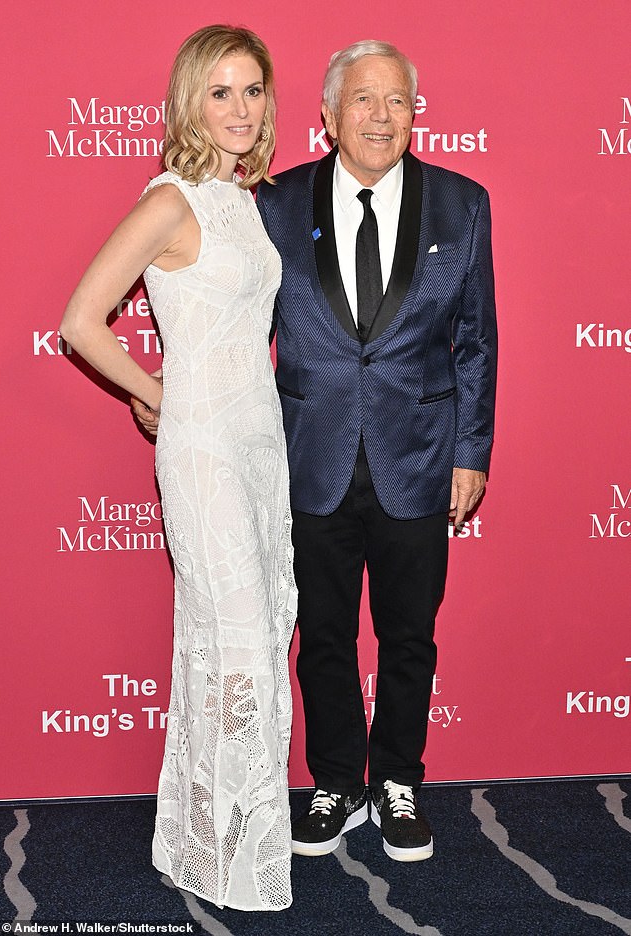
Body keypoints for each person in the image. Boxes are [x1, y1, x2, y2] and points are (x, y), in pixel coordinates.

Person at [137, 39, 497, 864]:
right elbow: (226, 310)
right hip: (304, 456)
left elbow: (477, 340)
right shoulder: (271, 202)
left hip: (420, 455)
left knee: (410, 634)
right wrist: (167, 388)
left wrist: (471, 449)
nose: (381, 116)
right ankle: (335, 781)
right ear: (328, 116)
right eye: (363, 100)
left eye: (398, 101)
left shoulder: (462, 204)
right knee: (323, 634)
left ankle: (399, 780)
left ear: (415, 113)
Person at [60, 26, 297, 911]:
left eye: (253, 92)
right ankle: (228, 859)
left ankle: (209, 841)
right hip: (202, 444)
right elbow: (82, 320)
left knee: (259, 632)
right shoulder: (169, 200)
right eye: (222, 93)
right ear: (191, 101)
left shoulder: (242, 199)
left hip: (258, 443)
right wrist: (154, 389)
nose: (241, 110)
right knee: (231, 634)